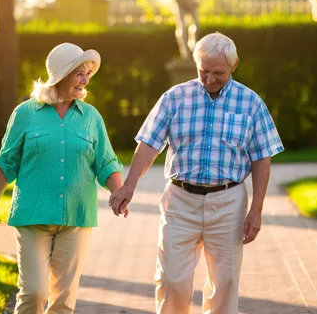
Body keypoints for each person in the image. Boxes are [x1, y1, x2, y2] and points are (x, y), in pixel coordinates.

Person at [109, 33, 284, 314]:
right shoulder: (175, 97)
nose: (210, 79)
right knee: (171, 281)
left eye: (219, 73)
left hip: (228, 202)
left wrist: (257, 210)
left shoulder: (251, 103)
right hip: (180, 200)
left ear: (234, 65)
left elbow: (262, 158)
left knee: (224, 283)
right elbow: (149, 144)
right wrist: (129, 186)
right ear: (196, 63)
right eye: (204, 71)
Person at [0, 42, 125, 314]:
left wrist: (118, 193)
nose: (85, 79)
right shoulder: (26, 113)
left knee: (63, 302)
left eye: (87, 73)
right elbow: (6, 164)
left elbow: (106, 162)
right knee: (34, 291)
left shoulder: (91, 117)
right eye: (79, 73)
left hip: (76, 219)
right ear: (62, 74)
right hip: (33, 217)